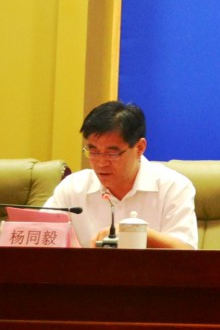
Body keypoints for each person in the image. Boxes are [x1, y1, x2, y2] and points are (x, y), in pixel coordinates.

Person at [45, 101, 198, 249]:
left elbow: (186, 250)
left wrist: (134, 232)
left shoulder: (173, 187)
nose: (101, 162)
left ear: (139, 148)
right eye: (93, 151)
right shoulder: (72, 188)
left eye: (112, 153)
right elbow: (40, 234)